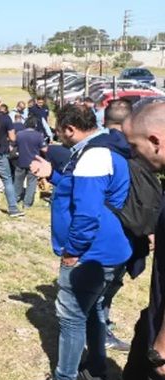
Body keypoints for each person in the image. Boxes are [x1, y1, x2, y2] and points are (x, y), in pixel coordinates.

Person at [29, 104, 131, 380]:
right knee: (95, 311)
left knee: (72, 316)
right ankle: (96, 371)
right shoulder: (104, 149)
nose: (58, 136)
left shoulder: (93, 157)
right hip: (111, 248)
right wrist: (54, 175)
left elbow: (86, 213)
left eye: (59, 131)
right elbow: (86, 191)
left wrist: (72, 252)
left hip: (91, 252)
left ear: (70, 129)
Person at [122, 103, 165, 380]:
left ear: (156, 141)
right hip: (154, 312)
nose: (133, 155)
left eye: (135, 146)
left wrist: (163, 345)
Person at [101, 99, 137, 352]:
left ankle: (101, 325)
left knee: (103, 286)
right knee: (108, 286)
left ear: (104, 120)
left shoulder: (96, 148)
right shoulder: (139, 150)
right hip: (131, 231)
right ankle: (101, 329)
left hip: (106, 230)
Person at [13, 116, 46, 208]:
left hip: (21, 160)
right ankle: (27, 203)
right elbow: (44, 149)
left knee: (18, 181)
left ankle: (15, 198)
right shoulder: (39, 135)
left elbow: (13, 146)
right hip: (34, 163)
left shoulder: (19, 134)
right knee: (31, 183)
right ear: (35, 125)